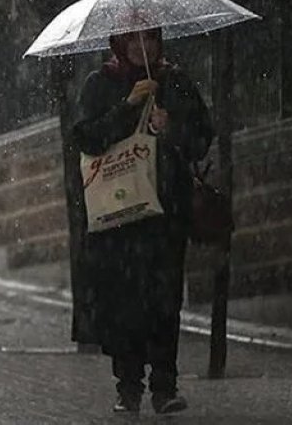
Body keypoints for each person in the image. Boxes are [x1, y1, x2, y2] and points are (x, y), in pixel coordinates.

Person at [73, 28, 213, 415]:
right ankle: (128, 385)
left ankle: (165, 386)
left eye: (149, 38)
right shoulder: (101, 84)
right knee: (124, 303)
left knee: (165, 301)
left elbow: (202, 137)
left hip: (165, 214)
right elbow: (86, 138)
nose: (141, 47)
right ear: (118, 43)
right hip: (120, 219)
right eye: (132, 40)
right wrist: (127, 107)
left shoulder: (174, 81)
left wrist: (172, 127)